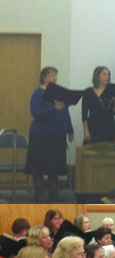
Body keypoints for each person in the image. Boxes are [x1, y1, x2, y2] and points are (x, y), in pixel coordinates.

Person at [25, 66, 73, 201]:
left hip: (57, 135)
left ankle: (53, 191)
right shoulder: (38, 93)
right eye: (51, 75)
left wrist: (70, 129)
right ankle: (39, 192)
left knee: (55, 166)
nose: (54, 78)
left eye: (56, 75)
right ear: (44, 77)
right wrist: (53, 109)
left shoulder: (59, 93)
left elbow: (65, 112)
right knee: (38, 166)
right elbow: (35, 112)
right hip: (40, 135)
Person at [82, 66, 115, 144]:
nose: (107, 77)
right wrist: (85, 130)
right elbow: (84, 112)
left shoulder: (112, 91)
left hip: (109, 126)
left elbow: (114, 112)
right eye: (104, 74)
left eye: (108, 75)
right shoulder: (88, 92)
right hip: (93, 125)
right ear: (97, 76)